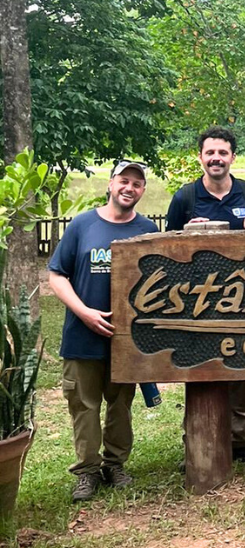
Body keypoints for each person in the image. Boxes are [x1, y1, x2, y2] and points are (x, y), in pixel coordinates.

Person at [49, 161, 159, 502]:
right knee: (83, 405)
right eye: (124, 181)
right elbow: (56, 275)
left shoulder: (147, 229)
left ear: (142, 191)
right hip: (82, 336)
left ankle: (115, 464)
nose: (130, 188)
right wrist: (83, 313)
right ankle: (86, 471)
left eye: (137, 184)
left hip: (126, 340)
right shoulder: (82, 224)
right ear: (111, 185)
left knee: (120, 404)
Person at [165, 126, 245, 467]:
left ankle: (241, 442)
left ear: (232, 157)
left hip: (244, 302)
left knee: (242, 373)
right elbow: (170, 249)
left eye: (222, 153)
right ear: (200, 157)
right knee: (200, 373)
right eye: (210, 153)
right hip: (198, 305)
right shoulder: (185, 198)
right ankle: (198, 440)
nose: (216, 158)